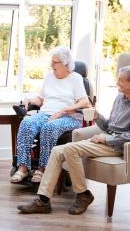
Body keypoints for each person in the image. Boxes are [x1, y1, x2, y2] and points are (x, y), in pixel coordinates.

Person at [17, 65, 130, 215]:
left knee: (69, 148)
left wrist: (107, 140)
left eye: (120, 80)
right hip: (107, 138)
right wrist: (97, 116)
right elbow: (109, 126)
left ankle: (83, 195)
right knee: (57, 151)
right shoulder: (120, 97)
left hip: (117, 145)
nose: (117, 83)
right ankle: (43, 201)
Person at [10, 46, 91, 184]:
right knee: (26, 124)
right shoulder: (49, 76)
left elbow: (85, 102)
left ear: (66, 64)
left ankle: (43, 169)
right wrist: (29, 100)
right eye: (51, 62)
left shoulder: (76, 78)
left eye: (55, 62)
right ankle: (23, 168)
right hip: (46, 114)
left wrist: (64, 110)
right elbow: (40, 99)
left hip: (68, 117)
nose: (51, 65)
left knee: (49, 128)